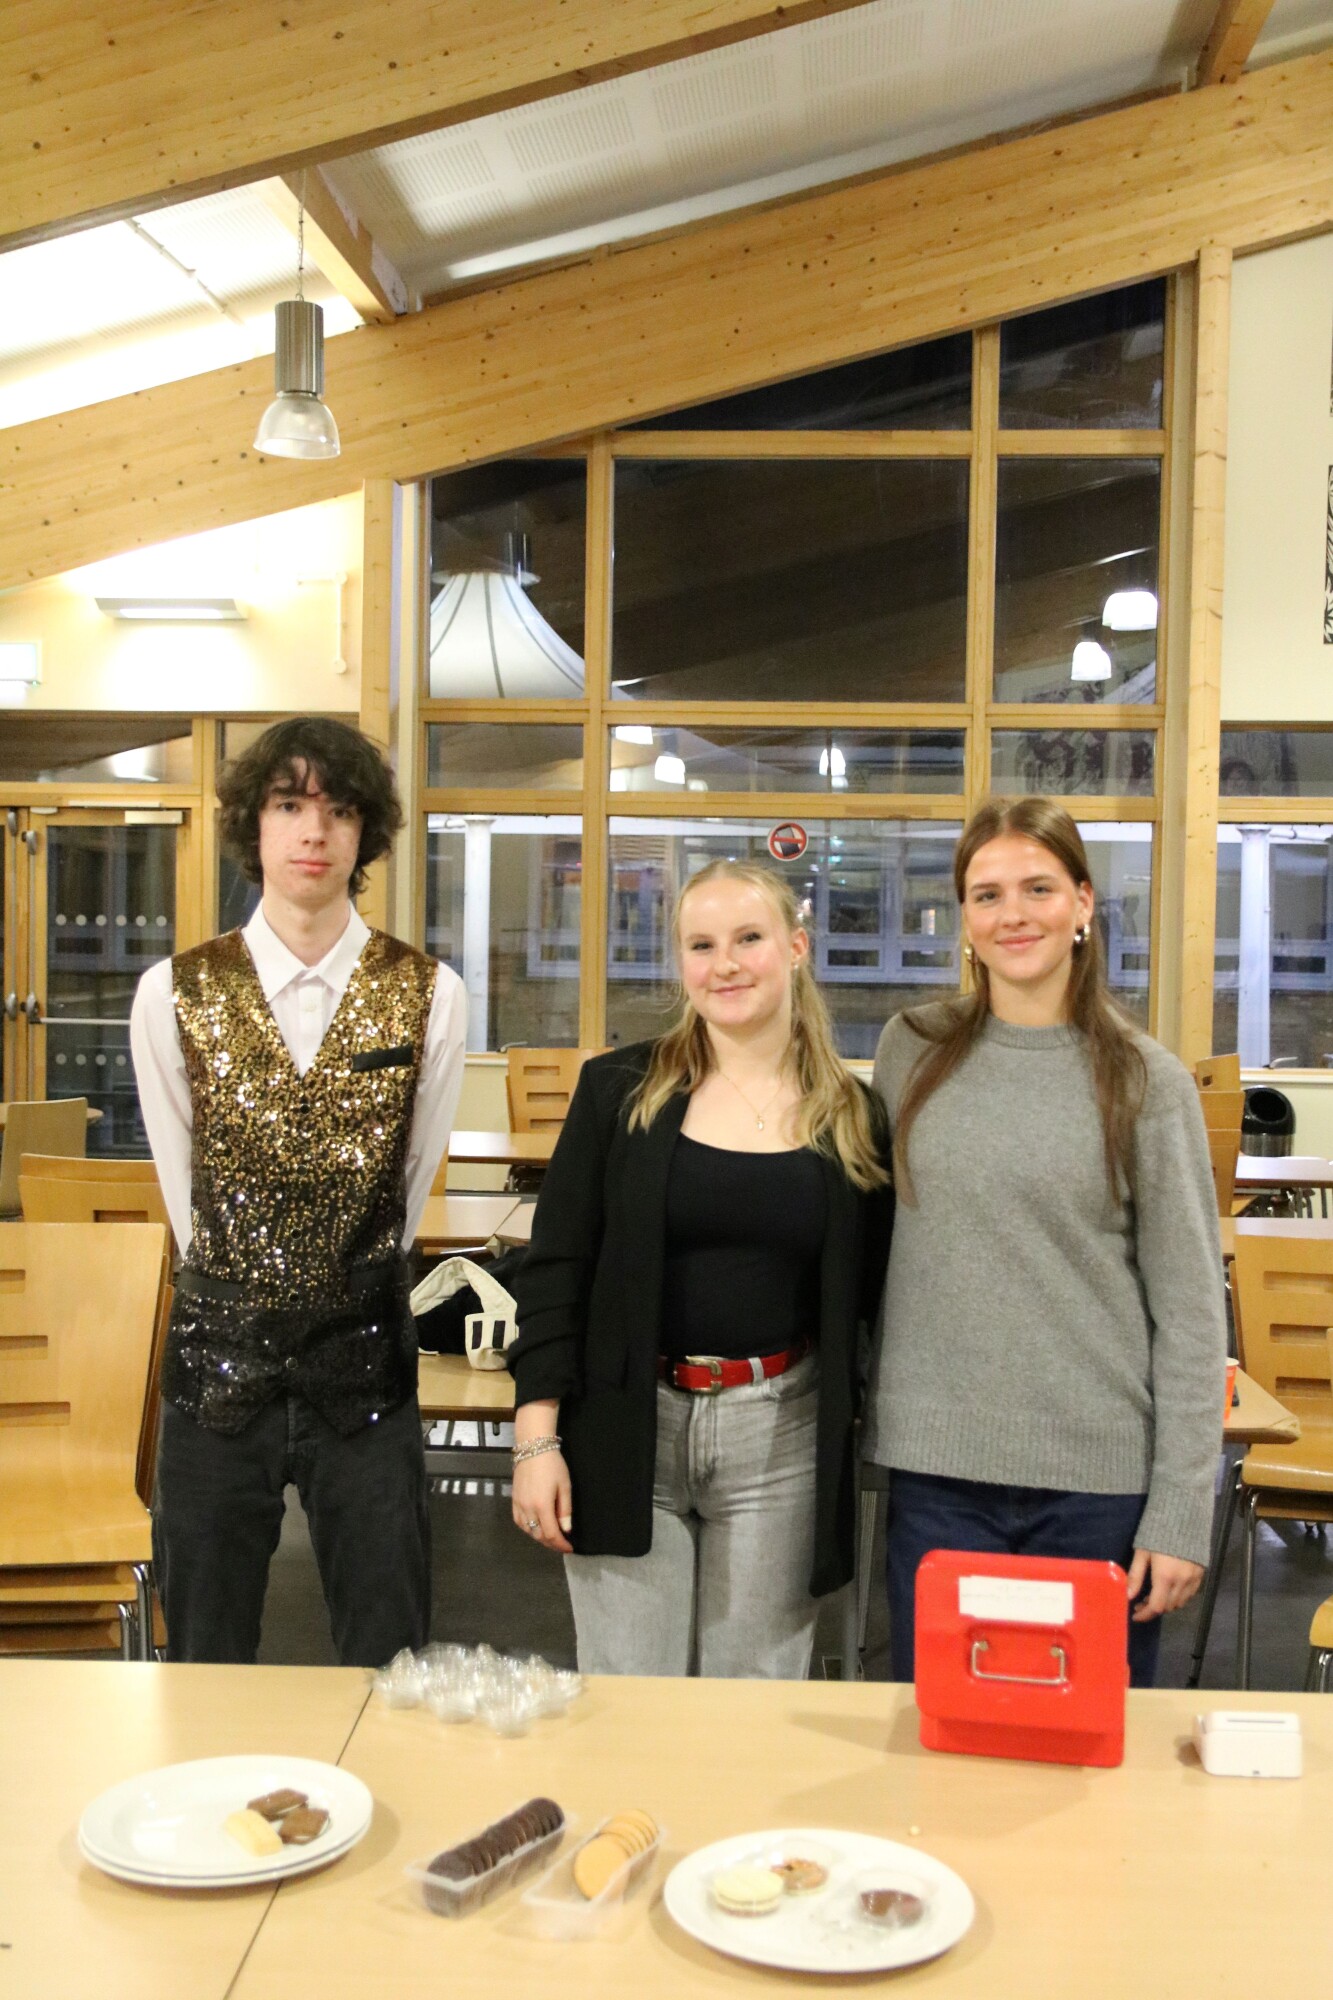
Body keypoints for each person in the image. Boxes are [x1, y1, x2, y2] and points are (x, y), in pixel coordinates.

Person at [864, 797, 1225, 1687]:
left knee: (1079, 1742)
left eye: (1037, 888)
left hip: (1096, 1488)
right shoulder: (910, 1050)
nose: (1012, 914)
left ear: (1083, 904)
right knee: (946, 1733)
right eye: (986, 895)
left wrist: (1181, 1508)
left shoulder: (1146, 1081)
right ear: (964, 918)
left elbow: (1189, 1315)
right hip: (937, 1476)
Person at [130, 717, 466, 1666]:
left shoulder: (432, 993)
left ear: (365, 833)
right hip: (214, 1370)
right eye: (288, 805)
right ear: (254, 824)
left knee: (389, 1657)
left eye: (338, 810)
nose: (313, 831)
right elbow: (182, 1188)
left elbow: (412, 1180)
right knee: (203, 1658)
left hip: (366, 1368)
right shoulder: (172, 992)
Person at [506, 858, 892, 1678]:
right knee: (627, 1696)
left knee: (753, 1704)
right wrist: (535, 1439)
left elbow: (871, 1295)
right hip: (625, 1423)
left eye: (748, 939)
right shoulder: (617, 1091)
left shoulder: (854, 1117)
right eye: (701, 945)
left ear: (795, 947)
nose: (725, 965)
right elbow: (556, 1268)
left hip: (780, 1437)